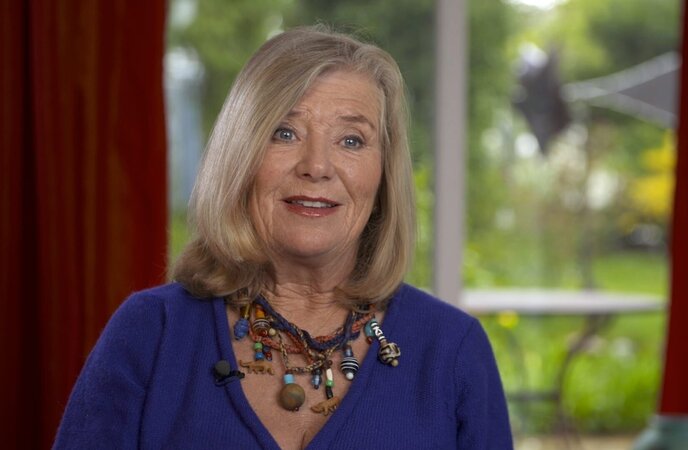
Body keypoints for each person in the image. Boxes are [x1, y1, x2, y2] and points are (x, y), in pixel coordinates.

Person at [54, 26, 512, 449]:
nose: (317, 166)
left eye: (351, 140)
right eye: (284, 132)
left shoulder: (454, 349)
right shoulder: (150, 333)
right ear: (240, 157)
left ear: (383, 174)